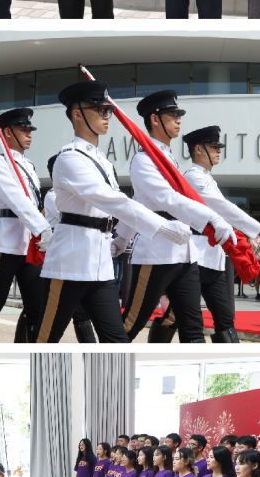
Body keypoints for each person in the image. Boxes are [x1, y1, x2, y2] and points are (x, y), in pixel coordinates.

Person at [35, 79, 174, 343]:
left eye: (107, 110)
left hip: (100, 265)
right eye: (98, 109)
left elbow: (114, 208)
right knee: (45, 343)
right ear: (77, 114)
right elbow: (110, 200)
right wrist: (160, 225)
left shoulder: (101, 160)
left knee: (117, 342)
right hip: (69, 265)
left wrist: (121, 239)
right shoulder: (69, 158)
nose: (106, 115)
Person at [120, 91, 218, 343]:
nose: (178, 120)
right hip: (156, 252)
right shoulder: (143, 160)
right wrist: (211, 219)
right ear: (155, 119)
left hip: (184, 254)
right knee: (130, 325)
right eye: (172, 115)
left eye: (178, 115)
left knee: (193, 327)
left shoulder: (168, 157)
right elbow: (164, 199)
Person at [179, 125, 260, 343]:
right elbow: (222, 207)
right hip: (192, 257)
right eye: (213, 147)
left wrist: (250, 240)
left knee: (225, 320)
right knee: (185, 321)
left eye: (218, 146)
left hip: (212, 260)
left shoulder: (208, 178)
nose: (218, 151)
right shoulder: (192, 177)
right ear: (197, 149)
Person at [0, 107, 54, 342]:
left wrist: (43, 226)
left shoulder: (29, 166)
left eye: (29, 130)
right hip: (7, 244)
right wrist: (41, 226)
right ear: (6, 132)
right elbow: (15, 198)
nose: (29, 134)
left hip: (30, 246)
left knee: (37, 309)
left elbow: (34, 203)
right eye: (23, 129)